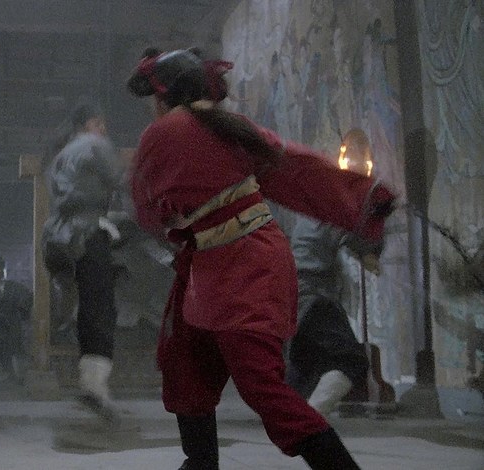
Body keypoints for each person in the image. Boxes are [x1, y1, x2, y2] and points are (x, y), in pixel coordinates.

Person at [126, 48, 395, 469]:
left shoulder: (163, 134)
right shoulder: (228, 126)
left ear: (164, 97)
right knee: (187, 360)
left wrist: (171, 224)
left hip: (243, 266)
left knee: (261, 387)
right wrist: (365, 199)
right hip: (232, 260)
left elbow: (147, 211)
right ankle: (200, 465)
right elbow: (299, 169)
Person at [41, 103, 125, 425]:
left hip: (58, 239)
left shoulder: (59, 155)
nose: (103, 129)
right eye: (99, 122)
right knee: (101, 307)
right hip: (87, 234)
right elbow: (120, 178)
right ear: (87, 124)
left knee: (86, 306)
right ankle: (93, 384)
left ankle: (91, 380)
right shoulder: (92, 145)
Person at [285, 130, 378, 416]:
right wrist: (370, 252)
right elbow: (361, 248)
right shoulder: (333, 203)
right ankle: (309, 420)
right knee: (351, 360)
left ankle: (293, 420)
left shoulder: (315, 201)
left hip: (300, 295)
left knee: (307, 367)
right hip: (312, 296)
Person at [0, 256, 33, 384]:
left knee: (15, 349)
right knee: (0, 350)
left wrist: (22, 312)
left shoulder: (14, 286)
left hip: (12, 323)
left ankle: (19, 376)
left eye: (0, 271)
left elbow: (29, 296)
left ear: (3, 272)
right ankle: (10, 373)